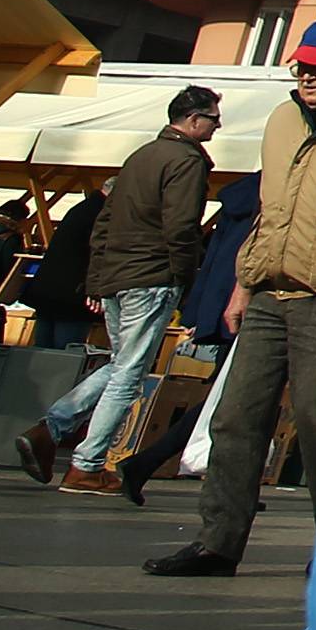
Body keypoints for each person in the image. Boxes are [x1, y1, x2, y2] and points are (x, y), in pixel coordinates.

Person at [145, 25, 316, 577]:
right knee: (234, 420)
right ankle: (217, 543)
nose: (306, 76)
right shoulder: (282, 118)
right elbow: (271, 209)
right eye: (300, 66)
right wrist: (242, 283)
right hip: (270, 290)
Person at [15, 85, 221, 498]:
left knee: (121, 363)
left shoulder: (141, 155)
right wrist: (184, 277)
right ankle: (86, 465)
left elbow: (105, 221)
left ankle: (51, 429)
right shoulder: (185, 161)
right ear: (194, 119)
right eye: (214, 118)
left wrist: (97, 277)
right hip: (151, 275)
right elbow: (181, 226)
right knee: (128, 372)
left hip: (117, 274)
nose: (218, 125)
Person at [117, 172, 261, 505]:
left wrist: (198, 309)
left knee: (233, 398)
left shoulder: (236, 198)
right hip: (251, 305)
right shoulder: (281, 191)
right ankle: (145, 463)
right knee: (233, 400)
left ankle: (231, 483)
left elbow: (211, 257)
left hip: (223, 303)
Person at [25, 185, 106, 348]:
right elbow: (99, 254)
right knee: (66, 352)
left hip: (49, 289)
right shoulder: (102, 213)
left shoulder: (81, 208)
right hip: (74, 294)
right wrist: (95, 290)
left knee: (41, 347)